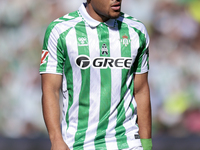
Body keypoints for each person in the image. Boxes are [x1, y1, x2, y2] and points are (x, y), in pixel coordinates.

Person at [40, 0, 152, 150]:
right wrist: (56, 139)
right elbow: (50, 90)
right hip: (78, 143)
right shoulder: (60, 30)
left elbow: (141, 90)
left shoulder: (136, 30)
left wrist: (146, 145)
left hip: (127, 143)